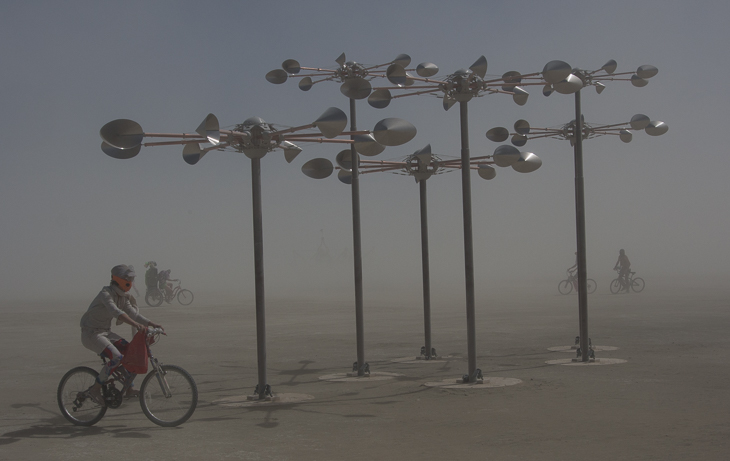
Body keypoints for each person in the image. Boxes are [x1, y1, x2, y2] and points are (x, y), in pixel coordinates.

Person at [80, 265, 163, 404]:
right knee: (116, 357)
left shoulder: (123, 297)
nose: (131, 281)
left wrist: (151, 323)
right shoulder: (105, 294)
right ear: (119, 279)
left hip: (105, 332)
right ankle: (95, 389)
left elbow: (133, 314)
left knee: (132, 352)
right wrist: (136, 325)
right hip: (91, 333)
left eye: (131, 279)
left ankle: (129, 389)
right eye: (128, 278)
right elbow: (116, 313)